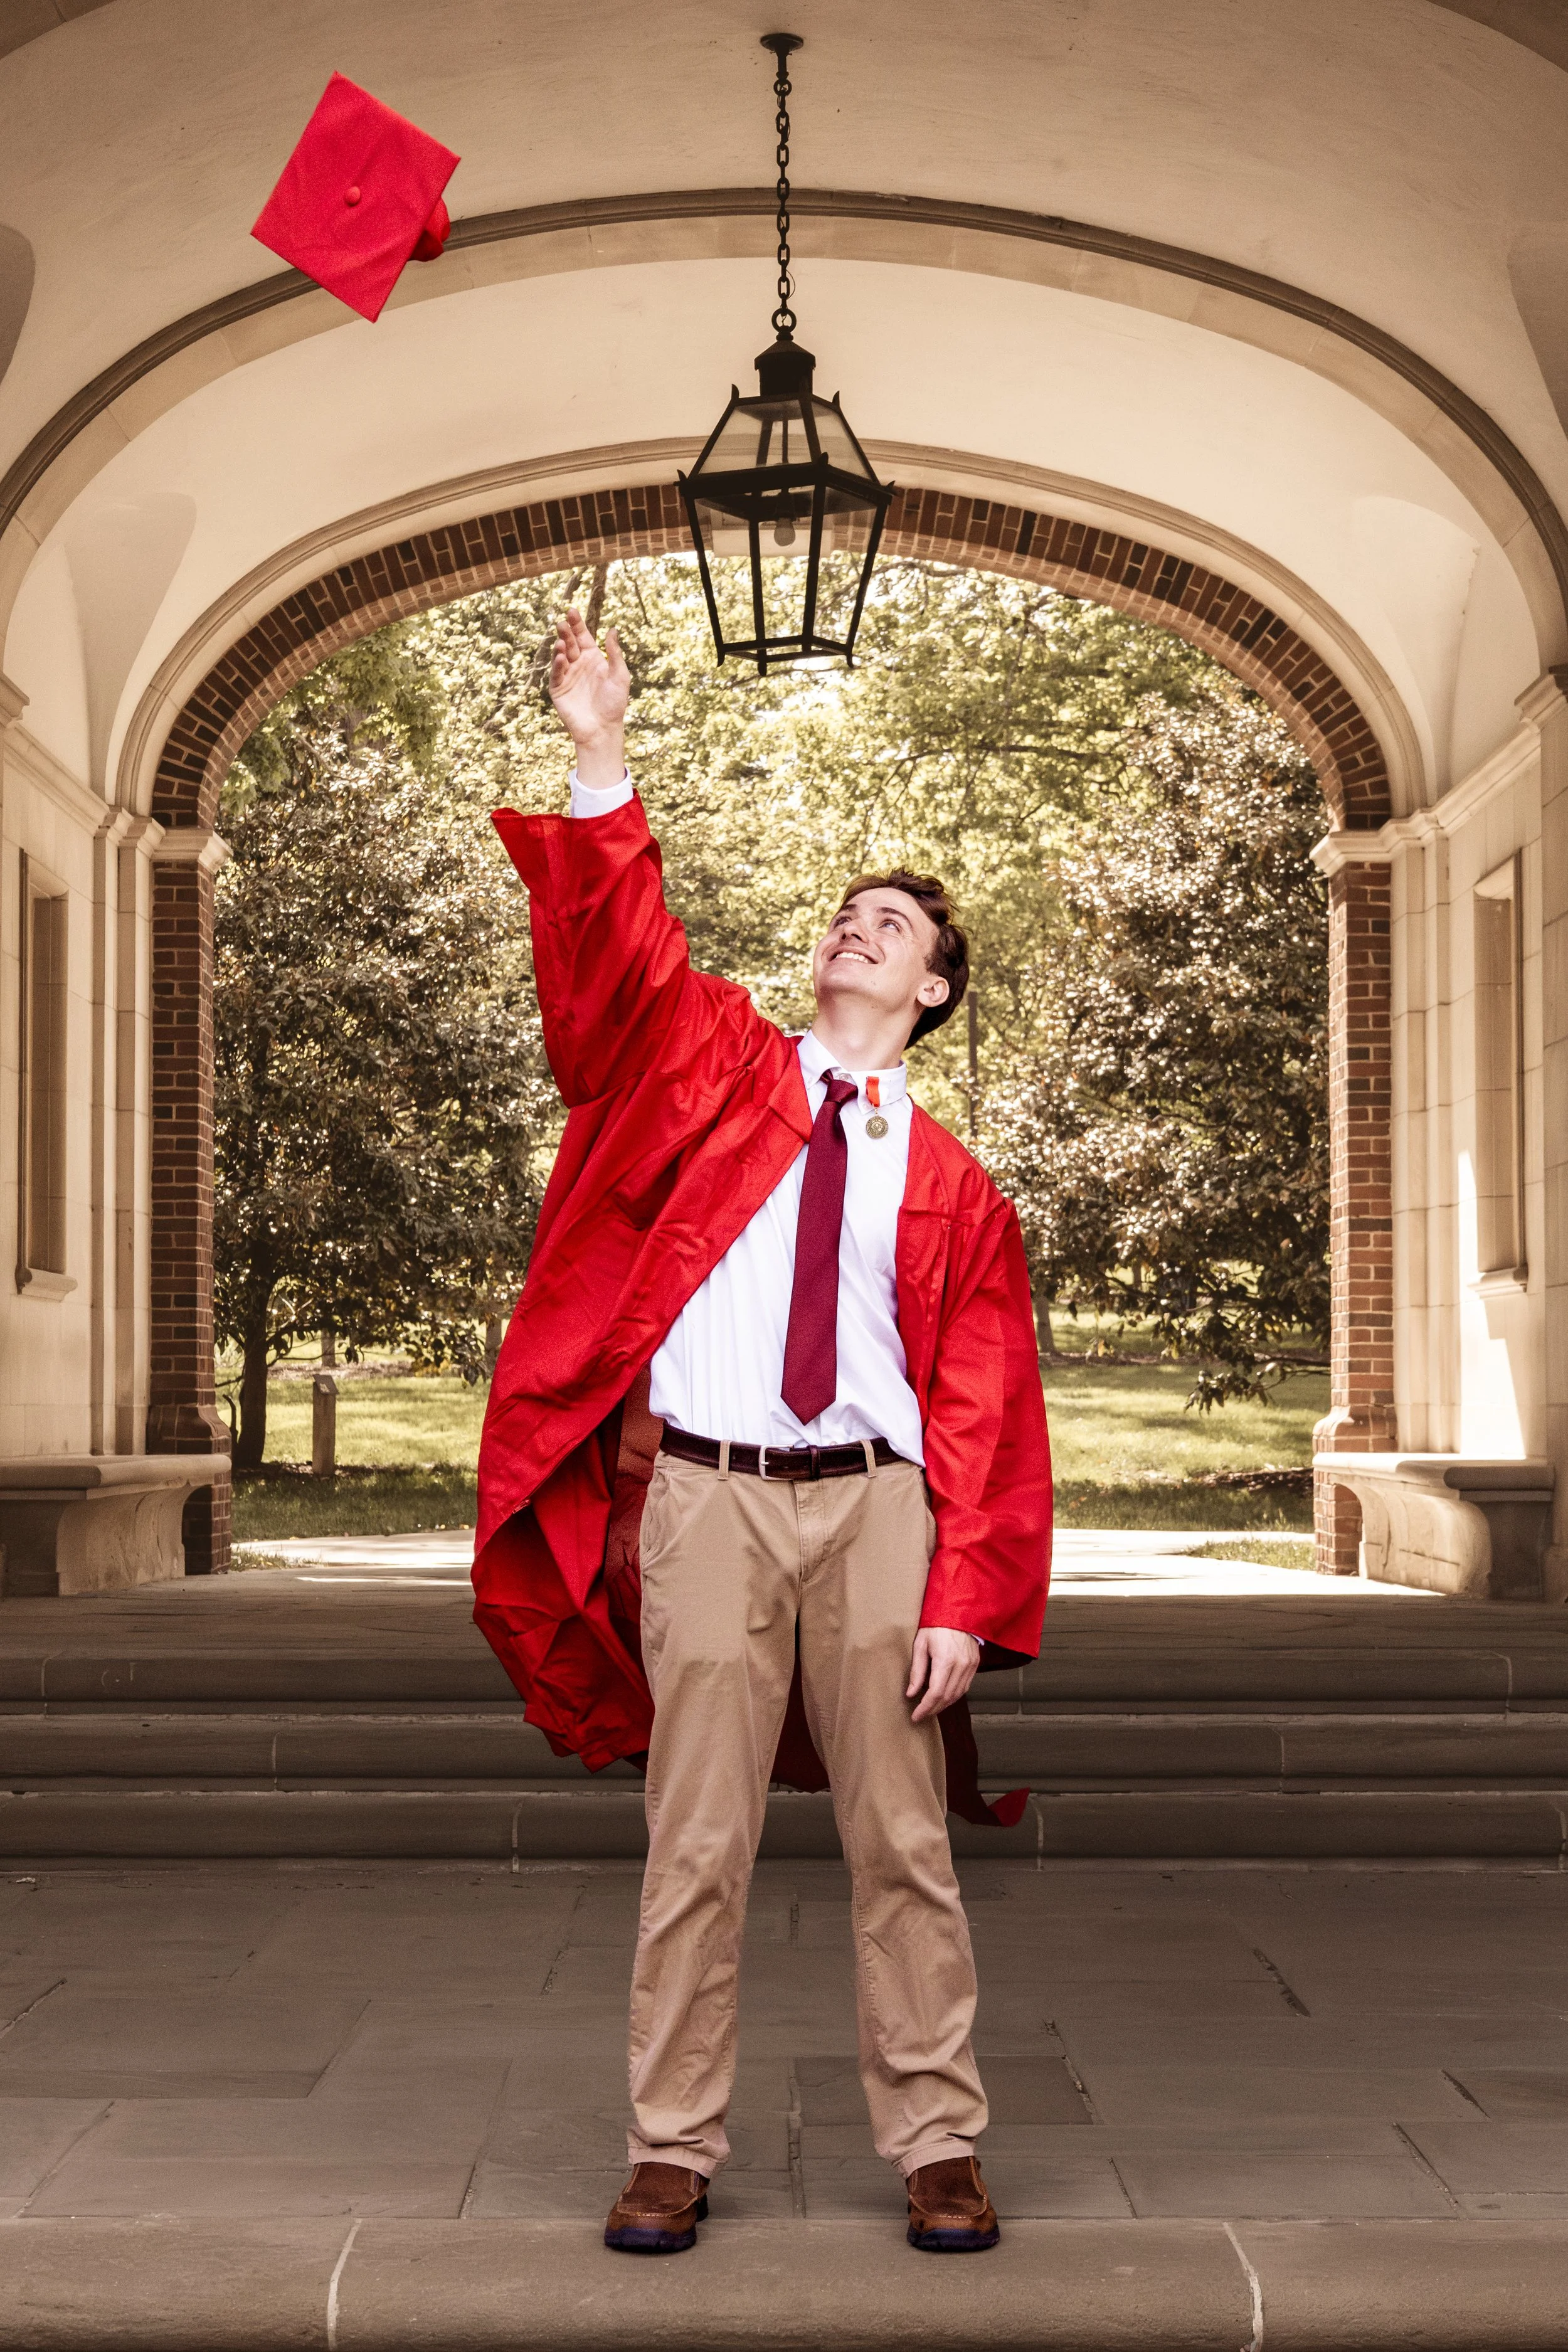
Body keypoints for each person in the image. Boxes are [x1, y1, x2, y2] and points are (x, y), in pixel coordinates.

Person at [474, 609, 1052, 2257]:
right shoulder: (714, 1065)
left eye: (894, 928)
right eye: (850, 914)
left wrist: (963, 1591)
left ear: (931, 990)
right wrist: (601, 750)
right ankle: (670, 2143)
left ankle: (937, 2142)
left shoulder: (952, 1189)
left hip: (874, 1514)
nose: (858, 929)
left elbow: (984, 1410)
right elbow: (611, 964)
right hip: (708, 1500)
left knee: (901, 1841)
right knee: (695, 1839)